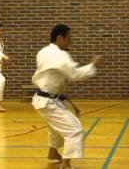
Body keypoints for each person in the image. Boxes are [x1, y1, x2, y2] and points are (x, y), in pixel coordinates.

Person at [32, 24, 103, 169]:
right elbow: (75, 75)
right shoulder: (59, 55)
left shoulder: (43, 51)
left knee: (56, 127)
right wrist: (92, 65)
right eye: (69, 38)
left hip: (47, 99)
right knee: (74, 129)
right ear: (60, 38)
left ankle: (53, 152)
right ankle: (66, 165)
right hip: (47, 101)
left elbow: (57, 78)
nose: (70, 42)